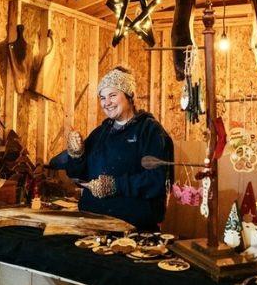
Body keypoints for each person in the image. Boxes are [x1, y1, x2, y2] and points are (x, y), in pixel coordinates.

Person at [52, 66, 173, 230]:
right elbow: (77, 175)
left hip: (132, 227)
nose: (106, 102)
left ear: (129, 96)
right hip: (92, 223)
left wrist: (115, 185)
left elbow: (157, 181)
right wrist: (76, 155)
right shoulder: (101, 133)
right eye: (102, 97)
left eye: (112, 95)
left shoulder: (150, 131)